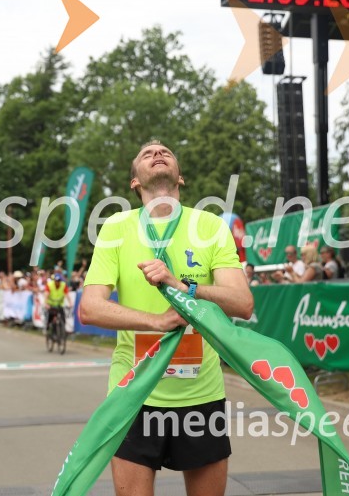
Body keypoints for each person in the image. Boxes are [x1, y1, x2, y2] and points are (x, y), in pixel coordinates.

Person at [80, 140, 253, 496]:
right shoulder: (116, 227)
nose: (157, 154)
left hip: (200, 395)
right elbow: (90, 308)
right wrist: (156, 322)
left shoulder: (209, 226)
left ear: (181, 177)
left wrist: (184, 286)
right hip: (133, 394)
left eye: (166, 152)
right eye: (146, 153)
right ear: (134, 182)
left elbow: (242, 303)